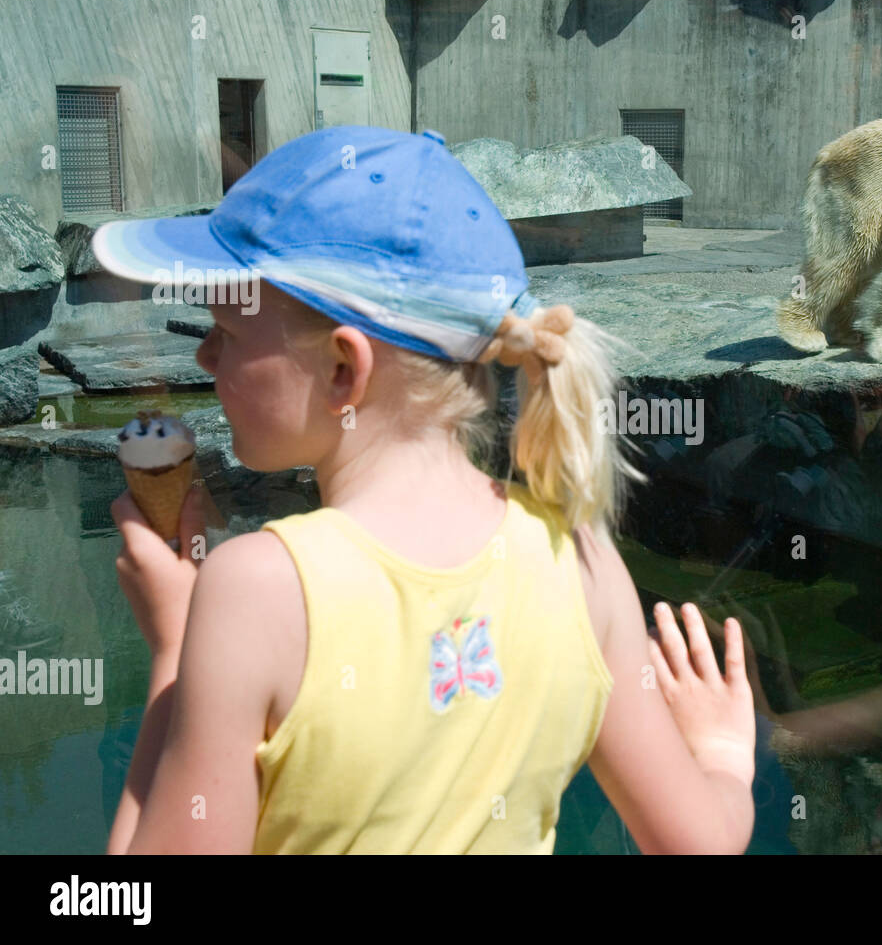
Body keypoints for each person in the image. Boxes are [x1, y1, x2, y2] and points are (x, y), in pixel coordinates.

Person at [93, 125, 756, 854]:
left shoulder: (255, 590)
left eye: (226, 327)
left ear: (345, 369)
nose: (204, 353)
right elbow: (702, 844)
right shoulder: (581, 557)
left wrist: (174, 659)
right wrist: (723, 756)